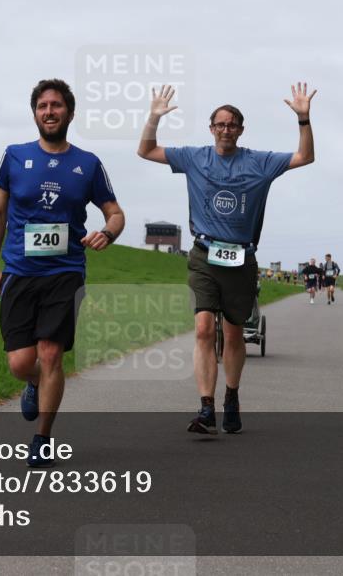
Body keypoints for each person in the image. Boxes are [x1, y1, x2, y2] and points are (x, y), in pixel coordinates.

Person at [138, 82, 317, 435]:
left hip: (240, 259)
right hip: (204, 254)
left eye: (232, 125)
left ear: (240, 130)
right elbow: (146, 151)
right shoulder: (194, 157)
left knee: (234, 336)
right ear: (211, 129)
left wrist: (303, 119)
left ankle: (231, 396)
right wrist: (153, 118)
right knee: (204, 329)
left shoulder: (259, 162)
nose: (226, 130)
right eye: (220, 124)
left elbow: (305, 157)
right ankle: (206, 408)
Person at [0, 78, 125, 467]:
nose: (50, 112)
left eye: (57, 106)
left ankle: (42, 438)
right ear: (35, 113)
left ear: (70, 113)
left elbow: (115, 212)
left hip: (65, 271)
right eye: (43, 106)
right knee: (20, 362)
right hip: (20, 271)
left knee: (51, 354)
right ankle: (33, 385)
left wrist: (108, 233)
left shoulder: (88, 163)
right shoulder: (14, 156)